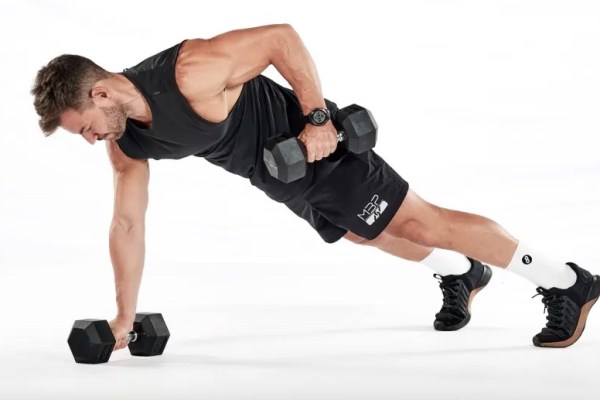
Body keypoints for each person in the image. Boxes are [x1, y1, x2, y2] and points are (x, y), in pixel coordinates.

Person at [32, 24, 599, 351]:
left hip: (314, 150)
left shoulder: (190, 71)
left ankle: (567, 282)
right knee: (361, 234)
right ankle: (461, 272)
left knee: (423, 221)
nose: (89, 141)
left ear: (101, 94)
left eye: (83, 128)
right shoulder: (126, 142)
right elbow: (127, 224)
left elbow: (281, 38)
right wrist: (122, 318)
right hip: (277, 176)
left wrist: (319, 117)